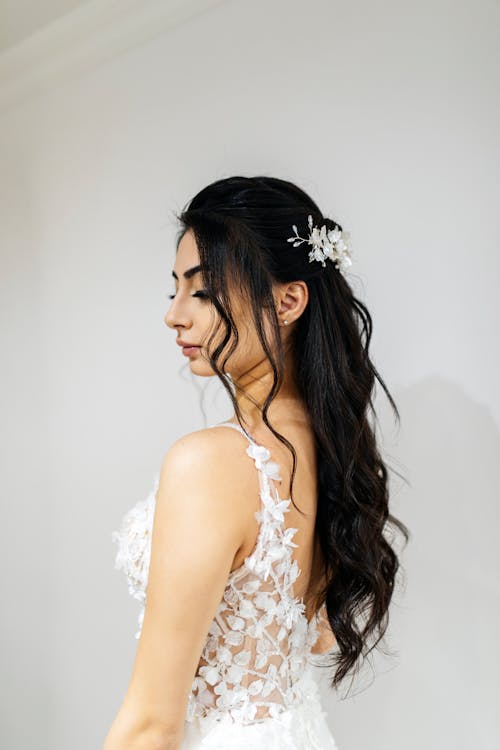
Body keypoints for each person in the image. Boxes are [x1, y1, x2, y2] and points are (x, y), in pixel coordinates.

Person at [103, 175, 409, 749]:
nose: (174, 315)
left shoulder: (211, 463)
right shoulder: (333, 450)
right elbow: (312, 637)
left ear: (289, 299)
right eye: (173, 288)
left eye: (202, 289)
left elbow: (151, 724)